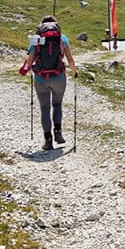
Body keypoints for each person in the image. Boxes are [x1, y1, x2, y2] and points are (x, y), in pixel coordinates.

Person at [20, 15, 78, 150]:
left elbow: (29, 62)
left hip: (41, 78)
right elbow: (70, 60)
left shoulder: (37, 40)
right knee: (57, 104)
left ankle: (48, 140)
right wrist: (74, 71)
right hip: (58, 77)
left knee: (44, 108)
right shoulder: (62, 39)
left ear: (41, 27)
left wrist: (25, 70)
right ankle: (58, 132)